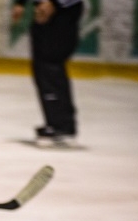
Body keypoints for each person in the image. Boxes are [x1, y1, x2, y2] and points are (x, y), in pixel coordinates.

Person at [12, 0, 84, 147]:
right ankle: (56, 123)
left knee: (51, 65)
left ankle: (62, 127)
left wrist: (54, 2)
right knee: (42, 68)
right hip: (47, 9)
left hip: (62, 11)